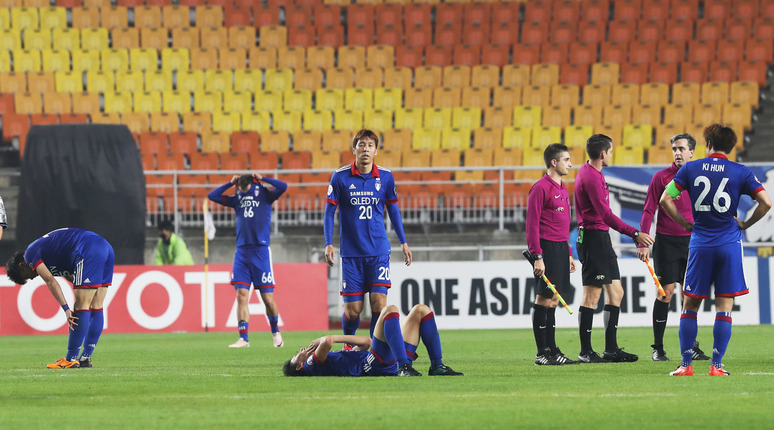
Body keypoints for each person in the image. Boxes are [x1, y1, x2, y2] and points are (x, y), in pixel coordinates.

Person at [661, 124, 771, 376]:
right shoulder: (740, 171)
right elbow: (766, 203)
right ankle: (716, 366)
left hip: (700, 243)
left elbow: (665, 199)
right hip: (728, 244)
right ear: (731, 147)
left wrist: (685, 223)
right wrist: (745, 223)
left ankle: (686, 365)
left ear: (708, 143)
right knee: (724, 306)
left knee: (690, 306)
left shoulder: (690, 168)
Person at [324, 129, 412, 345]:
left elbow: (393, 211)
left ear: (376, 151)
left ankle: (374, 351)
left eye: (370, 145)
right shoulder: (340, 177)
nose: (365, 149)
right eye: (361, 145)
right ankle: (349, 344)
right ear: (354, 149)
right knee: (353, 311)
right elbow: (328, 212)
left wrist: (403, 242)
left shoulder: (386, 177)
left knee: (378, 305)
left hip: (378, 252)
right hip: (352, 255)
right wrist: (328, 243)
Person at [574, 134, 655, 363]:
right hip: (592, 238)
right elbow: (606, 215)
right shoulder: (590, 177)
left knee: (616, 292)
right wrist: (635, 233)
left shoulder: (593, 173)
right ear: (603, 154)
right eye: (610, 151)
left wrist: (608, 236)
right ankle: (585, 352)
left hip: (600, 237)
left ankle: (611, 349)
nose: (611, 155)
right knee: (592, 296)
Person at [636, 133, 710, 362]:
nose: (677, 153)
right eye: (674, 149)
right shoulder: (661, 178)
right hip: (666, 242)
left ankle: (691, 346)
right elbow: (649, 209)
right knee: (665, 293)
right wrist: (643, 240)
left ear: (691, 152)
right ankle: (658, 348)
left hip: (693, 242)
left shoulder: (700, 178)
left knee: (690, 296)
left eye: (681, 149)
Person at [5, 228, 114, 369]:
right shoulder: (50, 254)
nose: (32, 278)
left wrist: (66, 309)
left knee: (81, 306)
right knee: (96, 305)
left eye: (26, 276)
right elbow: (74, 278)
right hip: (105, 247)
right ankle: (86, 358)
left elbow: (50, 281)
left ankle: (71, 359)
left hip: (88, 248)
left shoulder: (30, 254)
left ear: (22, 265)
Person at [208, 172, 288, 348]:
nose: (243, 192)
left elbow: (283, 186)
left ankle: (275, 332)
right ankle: (243, 338)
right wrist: (230, 183)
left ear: (252, 184)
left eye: (245, 189)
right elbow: (212, 196)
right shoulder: (237, 197)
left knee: (267, 298)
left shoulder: (266, 194)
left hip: (261, 251)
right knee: (241, 295)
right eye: (240, 189)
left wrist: (263, 178)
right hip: (242, 252)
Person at [282, 304, 462, 377]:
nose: (300, 351)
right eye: (296, 356)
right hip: (373, 364)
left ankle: (436, 366)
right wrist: (326, 338)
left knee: (421, 310)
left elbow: (368, 341)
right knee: (389, 309)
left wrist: (351, 348)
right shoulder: (310, 364)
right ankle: (404, 367)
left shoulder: (326, 362)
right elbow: (329, 341)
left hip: (381, 359)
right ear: (299, 366)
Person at [525, 143, 578, 366]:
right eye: (566, 159)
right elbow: (532, 225)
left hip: (559, 249)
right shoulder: (540, 188)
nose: (570, 163)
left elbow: (563, 226)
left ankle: (553, 350)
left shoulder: (563, 188)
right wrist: (538, 256)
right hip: (545, 249)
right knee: (543, 298)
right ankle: (541, 353)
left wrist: (567, 253)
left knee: (554, 300)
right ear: (554, 163)